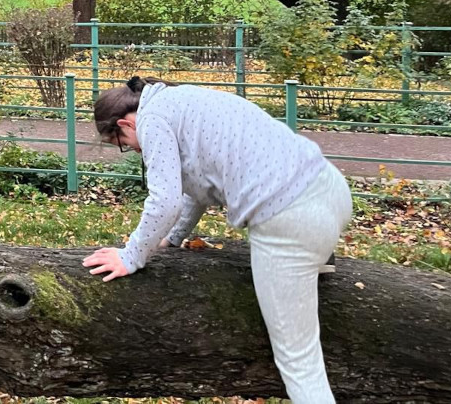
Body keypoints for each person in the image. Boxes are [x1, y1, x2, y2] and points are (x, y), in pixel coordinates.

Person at [82, 76, 352, 404]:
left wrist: (131, 256)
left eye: (123, 143)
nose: (133, 149)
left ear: (125, 123)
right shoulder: (179, 101)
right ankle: (318, 262)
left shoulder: (152, 121)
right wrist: (174, 237)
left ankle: (307, 264)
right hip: (330, 192)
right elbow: (195, 187)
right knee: (306, 263)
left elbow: (165, 201)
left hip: (289, 219)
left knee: (299, 361)